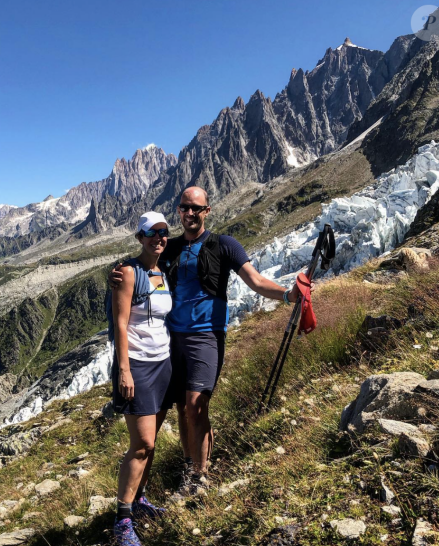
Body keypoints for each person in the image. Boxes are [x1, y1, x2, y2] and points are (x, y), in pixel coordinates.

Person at [110, 187, 301, 500]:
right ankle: (188, 467)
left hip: (206, 337)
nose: (190, 213)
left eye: (196, 208)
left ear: (207, 211)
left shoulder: (224, 245)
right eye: (185, 207)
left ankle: (200, 476)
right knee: (182, 408)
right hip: (171, 341)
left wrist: (286, 294)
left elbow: (254, 280)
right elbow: (141, 262)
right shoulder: (168, 246)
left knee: (197, 406)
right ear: (179, 210)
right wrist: (116, 273)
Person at [111, 211, 174, 546]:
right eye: (152, 233)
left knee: (151, 442)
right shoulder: (127, 273)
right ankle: (122, 520)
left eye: (163, 232)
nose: (159, 238)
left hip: (163, 364)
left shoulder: (162, 271)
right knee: (143, 444)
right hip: (137, 366)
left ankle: (140, 501)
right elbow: (120, 323)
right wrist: (124, 370)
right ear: (140, 237)